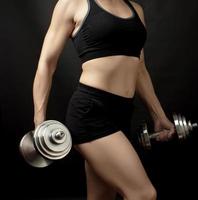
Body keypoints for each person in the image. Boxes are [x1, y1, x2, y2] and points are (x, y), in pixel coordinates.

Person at [33, 0, 175, 199]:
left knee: (102, 197)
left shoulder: (136, 10)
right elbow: (46, 64)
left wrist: (158, 115)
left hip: (122, 112)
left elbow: (139, 68)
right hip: (91, 112)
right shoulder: (73, 3)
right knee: (143, 194)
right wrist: (39, 122)